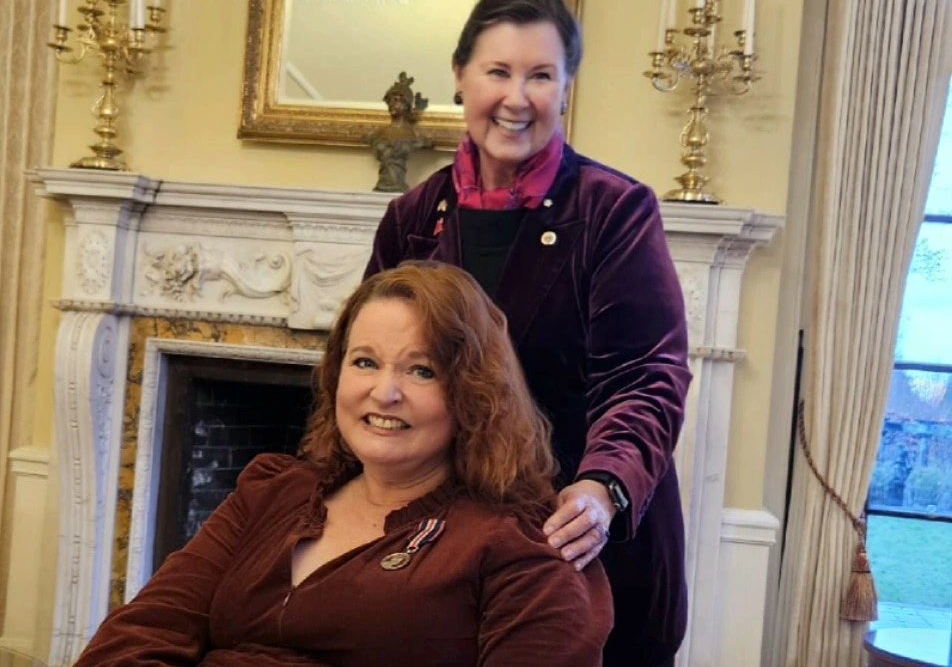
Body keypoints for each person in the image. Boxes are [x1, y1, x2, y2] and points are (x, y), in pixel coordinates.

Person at [365, 0, 693, 667]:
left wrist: (604, 486)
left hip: (588, 532)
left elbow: (647, 376)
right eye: (498, 72)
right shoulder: (411, 218)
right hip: (452, 535)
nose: (517, 99)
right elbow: (369, 367)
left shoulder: (615, 210)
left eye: (541, 75)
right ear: (460, 77)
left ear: (567, 87)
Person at [74, 263, 613, 666]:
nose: (385, 393)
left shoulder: (525, 545)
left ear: (474, 392)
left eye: (422, 371)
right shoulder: (274, 491)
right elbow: (136, 636)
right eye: (365, 362)